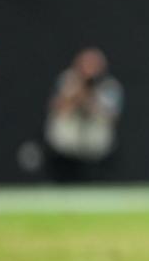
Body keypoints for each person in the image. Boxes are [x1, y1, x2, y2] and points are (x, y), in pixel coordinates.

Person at [44, 48, 124, 182]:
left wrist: (90, 100)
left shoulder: (109, 86)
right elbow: (56, 108)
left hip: (95, 141)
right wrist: (76, 95)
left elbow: (112, 116)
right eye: (86, 65)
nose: (90, 71)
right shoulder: (68, 80)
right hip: (67, 142)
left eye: (94, 66)